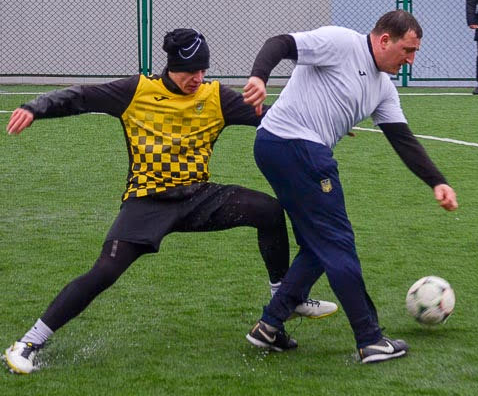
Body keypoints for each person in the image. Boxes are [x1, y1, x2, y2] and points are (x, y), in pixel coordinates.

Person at [2, 29, 337, 375]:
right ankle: (28, 342)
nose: (198, 78)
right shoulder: (137, 91)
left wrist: (316, 128)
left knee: (268, 210)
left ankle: (284, 302)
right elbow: (81, 96)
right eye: (190, 71)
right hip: (147, 202)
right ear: (172, 66)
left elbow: (271, 117)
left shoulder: (215, 96)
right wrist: (34, 107)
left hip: (199, 197)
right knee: (104, 272)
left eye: (203, 71)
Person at [240, 10, 459, 364]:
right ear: (384, 39)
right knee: (338, 243)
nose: (411, 60)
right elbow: (279, 43)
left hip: (281, 147)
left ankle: (269, 325)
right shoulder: (342, 42)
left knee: (319, 243)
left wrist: (437, 181)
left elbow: (403, 140)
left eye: (415, 52)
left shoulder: (383, 88)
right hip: (296, 146)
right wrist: (259, 78)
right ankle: (369, 339)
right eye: (407, 50)